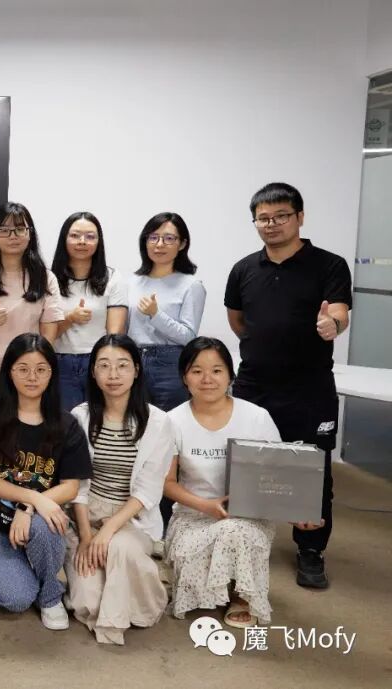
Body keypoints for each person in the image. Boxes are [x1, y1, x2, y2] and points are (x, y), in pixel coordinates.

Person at [225, 182, 351, 589]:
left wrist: (332, 325)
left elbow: (339, 312)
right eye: (263, 218)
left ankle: (310, 549)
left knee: (313, 469)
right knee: (245, 463)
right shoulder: (244, 269)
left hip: (309, 387)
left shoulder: (329, 265)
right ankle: (240, 540)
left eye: (281, 216)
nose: (272, 224)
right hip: (254, 384)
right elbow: (237, 321)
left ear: (300, 217)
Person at [0, 334, 92, 630]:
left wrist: (28, 508)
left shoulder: (67, 425)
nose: (32, 377)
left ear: (52, 373)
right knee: (16, 599)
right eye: (23, 369)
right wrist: (34, 497)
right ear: (9, 372)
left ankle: (50, 594)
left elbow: (70, 487)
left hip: (39, 521)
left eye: (41, 369)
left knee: (47, 523)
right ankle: (11, 568)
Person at [164, 337, 281, 628]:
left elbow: (279, 477)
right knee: (222, 533)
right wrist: (205, 505)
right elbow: (166, 483)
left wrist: (299, 514)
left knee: (235, 529)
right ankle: (210, 587)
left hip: (247, 517)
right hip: (193, 515)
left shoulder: (257, 418)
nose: (207, 379)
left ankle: (242, 596)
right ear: (184, 377)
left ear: (230, 375)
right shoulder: (172, 421)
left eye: (216, 370)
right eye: (197, 371)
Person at [65, 334, 174, 645]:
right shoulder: (81, 417)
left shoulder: (158, 422)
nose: (113, 374)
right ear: (93, 372)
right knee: (88, 602)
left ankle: (124, 618)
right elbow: (77, 484)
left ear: (136, 370)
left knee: (119, 548)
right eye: (104, 366)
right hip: (86, 515)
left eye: (122, 365)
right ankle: (133, 587)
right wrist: (87, 536)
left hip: (130, 518)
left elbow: (148, 490)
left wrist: (108, 531)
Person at [0, 203, 64, 422]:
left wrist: (34, 368)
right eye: (4, 230)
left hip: (26, 378)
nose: (12, 236)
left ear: (29, 233)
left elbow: (49, 334)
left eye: (19, 229)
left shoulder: (45, 278)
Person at [127, 212, 206, 412]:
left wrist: (156, 315)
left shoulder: (191, 285)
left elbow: (189, 337)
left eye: (169, 238)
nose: (159, 244)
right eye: (153, 237)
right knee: (134, 420)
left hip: (169, 363)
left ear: (182, 244)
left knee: (169, 422)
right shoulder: (131, 282)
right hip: (132, 361)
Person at [49, 212, 127, 413]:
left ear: (99, 242)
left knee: (100, 419)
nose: (82, 241)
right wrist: (70, 319)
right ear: (64, 239)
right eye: (75, 235)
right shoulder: (49, 279)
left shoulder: (113, 278)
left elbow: (115, 333)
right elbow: (46, 335)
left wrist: (107, 365)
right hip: (60, 361)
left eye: (90, 236)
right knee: (66, 423)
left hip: (98, 362)